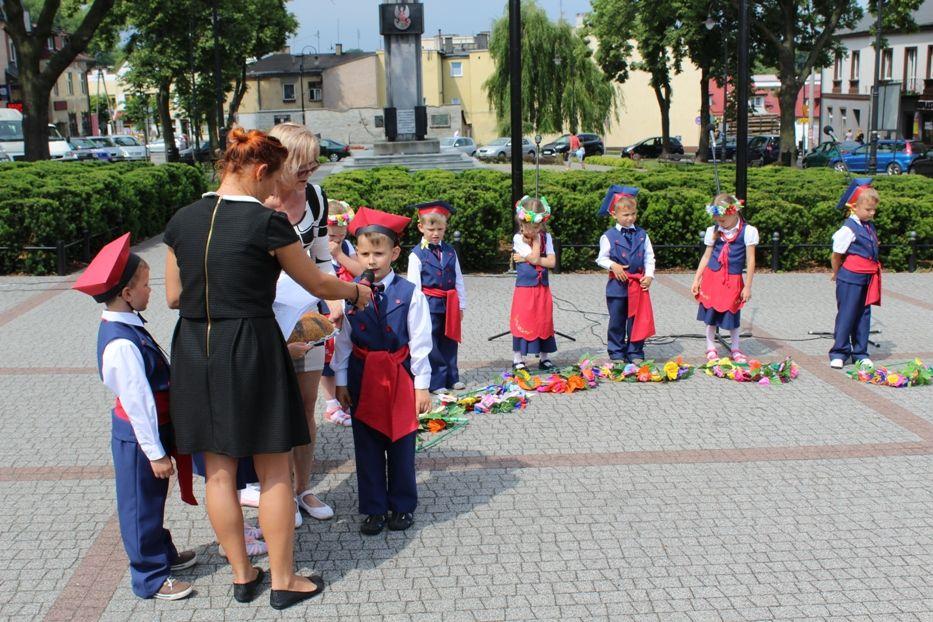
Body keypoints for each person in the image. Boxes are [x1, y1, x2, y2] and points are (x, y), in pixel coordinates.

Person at [163, 127, 370, 610]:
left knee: (217, 469)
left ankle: (242, 575)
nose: (275, 190)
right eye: (272, 179)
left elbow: (173, 296)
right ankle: (283, 580)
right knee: (274, 466)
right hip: (251, 344)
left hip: (194, 346)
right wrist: (356, 292)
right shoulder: (267, 224)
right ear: (258, 170)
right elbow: (316, 280)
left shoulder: (181, 220)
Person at [72, 233, 198, 601]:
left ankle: (164, 553)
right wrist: (155, 452)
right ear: (127, 293)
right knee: (140, 505)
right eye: (145, 285)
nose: (150, 291)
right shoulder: (121, 342)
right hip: (140, 435)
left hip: (150, 430)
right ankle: (150, 577)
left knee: (152, 499)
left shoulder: (129, 325)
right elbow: (139, 400)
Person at [332, 207, 433, 536]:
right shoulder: (350, 293)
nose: (372, 260)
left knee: (402, 443)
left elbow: (420, 342)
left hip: (399, 375)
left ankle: (402, 505)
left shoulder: (409, 293)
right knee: (368, 445)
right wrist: (342, 381)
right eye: (364, 253)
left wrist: (422, 386)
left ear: (395, 253)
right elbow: (344, 341)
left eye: (379, 253)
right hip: (364, 377)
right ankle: (374, 508)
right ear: (356, 254)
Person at [263, 122, 340, 525]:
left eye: (315, 162)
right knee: (273, 408)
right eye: (303, 163)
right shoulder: (258, 200)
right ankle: (274, 493)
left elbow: (322, 255)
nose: (311, 169)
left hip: (305, 317)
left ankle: (302, 488)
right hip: (263, 320)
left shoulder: (315, 196)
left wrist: (333, 299)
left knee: (306, 406)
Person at [406, 200, 467, 394]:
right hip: (428, 304)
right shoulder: (416, 255)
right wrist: (416, 310)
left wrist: (461, 305)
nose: (435, 233)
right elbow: (414, 286)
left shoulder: (450, 251)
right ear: (421, 227)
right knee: (431, 342)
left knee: (450, 339)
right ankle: (436, 381)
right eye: (431, 228)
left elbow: (458, 279)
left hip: (449, 303)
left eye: (440, 229)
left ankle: (452, 377)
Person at [691, 193, 759, 362]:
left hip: (733, 279)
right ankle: (710, 347)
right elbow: (706, 257)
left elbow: (750, 261)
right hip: (712, 278)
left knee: (732, 312)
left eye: (722, 220)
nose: (719, 223)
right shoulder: (713, 231)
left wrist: (748, 286)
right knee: (711, 313)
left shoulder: (748, 231)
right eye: (717, 220)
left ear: (733, 213)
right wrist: (696, 278)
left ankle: (735, 348)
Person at [595, 186, 656, 363]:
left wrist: (649, 275)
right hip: (618, 287)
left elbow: (649, 256)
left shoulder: (642, 234)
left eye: (633, 214)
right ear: (614, 215)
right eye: (625, 215)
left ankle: (636, 351)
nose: (630, 218)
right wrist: (614, 265)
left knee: (637, 320)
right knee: (617, 319)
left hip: (637, 284)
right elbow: (601, 258)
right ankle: (616, 352)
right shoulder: (608, 236)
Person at [829, 178, 881, 370]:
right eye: (868, 209)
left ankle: (860, 352)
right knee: (847, 314)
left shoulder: (868, 225)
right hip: (850, 277)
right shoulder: (847, 229)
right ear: (854, 207)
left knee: (864, 314)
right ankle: (839, 352)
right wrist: (837, 274)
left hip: (867, 277)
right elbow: (836, 256)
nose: (872, 213)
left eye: (874, 209)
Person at [321, 199, 362, 426]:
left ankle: (344, 397)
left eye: (342, 236)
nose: (336, 241)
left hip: (348, 309)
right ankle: (331, 405)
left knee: (344, 354)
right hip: (326, 309)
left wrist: (339, 255)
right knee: (327, 361)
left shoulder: (344, 249)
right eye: (331, 237)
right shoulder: (314, 249)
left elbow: (360, 272)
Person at [510, 196, 557, 370]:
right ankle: (518, 358)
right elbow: (537, 257)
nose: (534, 231)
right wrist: (536, 245)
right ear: (522, 223)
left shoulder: (547, 237)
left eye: (537, 227)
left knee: (543, 318)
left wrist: (526, 259)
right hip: (525, 287)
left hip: (542, 286)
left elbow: (551, 263)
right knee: (523, 318)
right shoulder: (518, 238)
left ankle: (544, 357)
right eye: (530, 227)